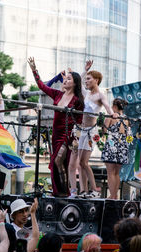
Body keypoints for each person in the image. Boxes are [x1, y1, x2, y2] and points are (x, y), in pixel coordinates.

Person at [28, 57, 84, 197]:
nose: (65, 80)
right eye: (65, 79)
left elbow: (79, 121)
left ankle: (65, 192)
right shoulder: (57, 94)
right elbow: (42, 86)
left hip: (68, 134)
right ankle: (59, 191)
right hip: (56, 133)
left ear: (75, 83)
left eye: (69, 79)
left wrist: (76, 138)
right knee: (56, 163)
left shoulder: (78, 101)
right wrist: (34, 70)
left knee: (59, 159)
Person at [78, 69, 117, 199]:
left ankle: (94, 189)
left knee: (84, 161)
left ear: (96, 80)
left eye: (89, 79)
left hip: (92, 132)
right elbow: (78, 82)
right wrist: (85, 69)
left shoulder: (101, 95)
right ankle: (83, 190)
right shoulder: (86, 94)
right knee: (80, 163)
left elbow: (107, 106)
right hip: (82, 131)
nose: (86, 81)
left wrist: (112, 114)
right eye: (86, 79)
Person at [101, 98, 130, 199]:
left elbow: (104, 130)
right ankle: (115, 194)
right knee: (117, 173)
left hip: (112, 144)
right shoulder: (126, 118)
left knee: (110, 172)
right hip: (122, 146)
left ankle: (112, 195)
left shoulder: (110, 116)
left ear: (114, 106)